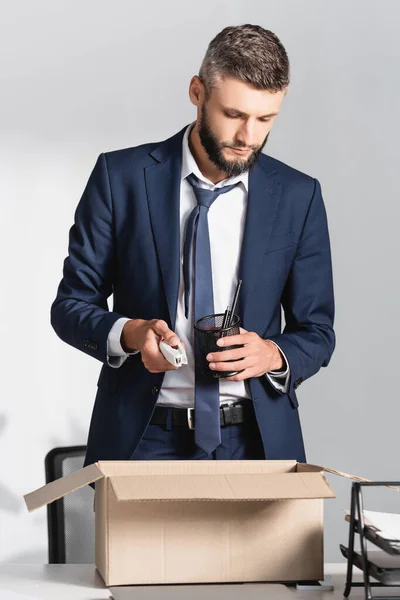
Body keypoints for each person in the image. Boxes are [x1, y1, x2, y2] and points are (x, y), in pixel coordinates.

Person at [51, 24, 335, 467]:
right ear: (197, 92)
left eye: (265, 120)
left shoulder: (299, 197)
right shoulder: (119, 178)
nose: (248, 138)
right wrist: (131, 333)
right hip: (142, 441)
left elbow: (318, 332)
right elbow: (70, 306)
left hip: (256, 444)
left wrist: (272, 354)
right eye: (234, 115)